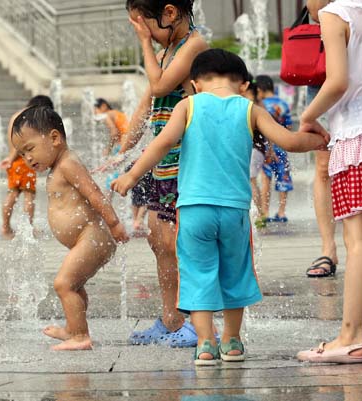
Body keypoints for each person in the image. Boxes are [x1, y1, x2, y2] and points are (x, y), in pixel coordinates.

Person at [111, 48, 329, 365]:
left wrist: (131, 175)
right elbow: (290, 142)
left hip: (194, 210)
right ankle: (232, 341)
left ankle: (204, 343)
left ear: (196, 83)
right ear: (243, 84)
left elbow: (161, 144)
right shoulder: (250, 109)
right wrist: (323, 140)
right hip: (235, 211)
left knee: (198, 273)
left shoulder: (188, 105)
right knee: (235, 273)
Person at [116, 0, 209, 347]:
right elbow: (147, 103)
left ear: (170, 13)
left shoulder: (194, 46)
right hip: (165, 164)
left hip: (188, 162)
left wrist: (143, 44)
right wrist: (121, 152)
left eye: (145, 26)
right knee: (158, 240)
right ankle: (171, 318)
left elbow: (158, 87)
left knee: (182, 243)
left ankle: (195, 320)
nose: (145, 36)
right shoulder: (169, 50)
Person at [297, 0, 362, 364]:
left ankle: (350, 336)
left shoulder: (336, 14)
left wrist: (308, 115)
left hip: (360, 133)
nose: (305, 4)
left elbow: (338, 82)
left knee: (358, 240)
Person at [10, 106, 129, 350]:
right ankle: (74, 328)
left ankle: (80, 336)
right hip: (85, 239)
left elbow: (95, 195)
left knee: (64, 284)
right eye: (22, 154)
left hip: (92, 236)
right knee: (74, 285)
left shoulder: (68, 164)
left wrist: (115, 224)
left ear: (54, 138)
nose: (28, 159)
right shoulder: (59, 166)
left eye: (30, 149)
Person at [0, 95, 54, 239]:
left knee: (12, 193)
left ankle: (5, 227)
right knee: (29, 195)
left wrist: (10, 158)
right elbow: (21, 142)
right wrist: (12, 157)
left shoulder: (15, 116)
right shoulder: (27, 118)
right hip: (23, 160)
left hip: (14, 161)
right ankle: (27, 229)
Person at [255, 75, 294, 224]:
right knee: (283, 176)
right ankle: (282, 211)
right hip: (282, 145)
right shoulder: (283, 104)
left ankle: (265, 211)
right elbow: (289, 126)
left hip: (266, 147)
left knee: (266, 178)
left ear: (260, 89)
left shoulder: (261, 105)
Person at [241, 74, 268, 227]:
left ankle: (258, 214)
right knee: (251, 180)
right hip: (258, 148)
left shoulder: (249, 104)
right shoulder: (259, 104)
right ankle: (259, 212)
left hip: (253, 148)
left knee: (250, 180)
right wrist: (269, 150)